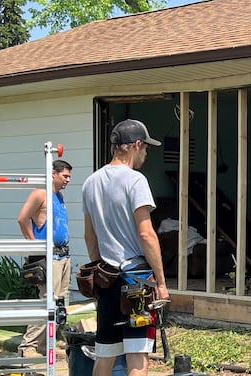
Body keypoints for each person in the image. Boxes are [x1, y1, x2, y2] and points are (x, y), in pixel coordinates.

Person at [82, 118, 170, 376]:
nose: (145, 154)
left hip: (107, 278)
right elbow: (146, 233)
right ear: (136, 145)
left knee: (105, 354)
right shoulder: (135, 180)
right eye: (146, 148)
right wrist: (161, 283)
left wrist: (99, 275)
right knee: (137, 356)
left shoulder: (91, 182)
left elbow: (90, 236)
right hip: (136, 280)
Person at [17, 159, 73, 358]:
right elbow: (22, 218)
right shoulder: (40, 193)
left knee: (59, 302)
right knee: (46, 300)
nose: (67, 180)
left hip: (63, 255)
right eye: (65, 176)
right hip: (48, 257)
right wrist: (34, 244)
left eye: (69, 177)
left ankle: (44, 345)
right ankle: (28, 346)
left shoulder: (59, 196)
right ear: (53, 173)